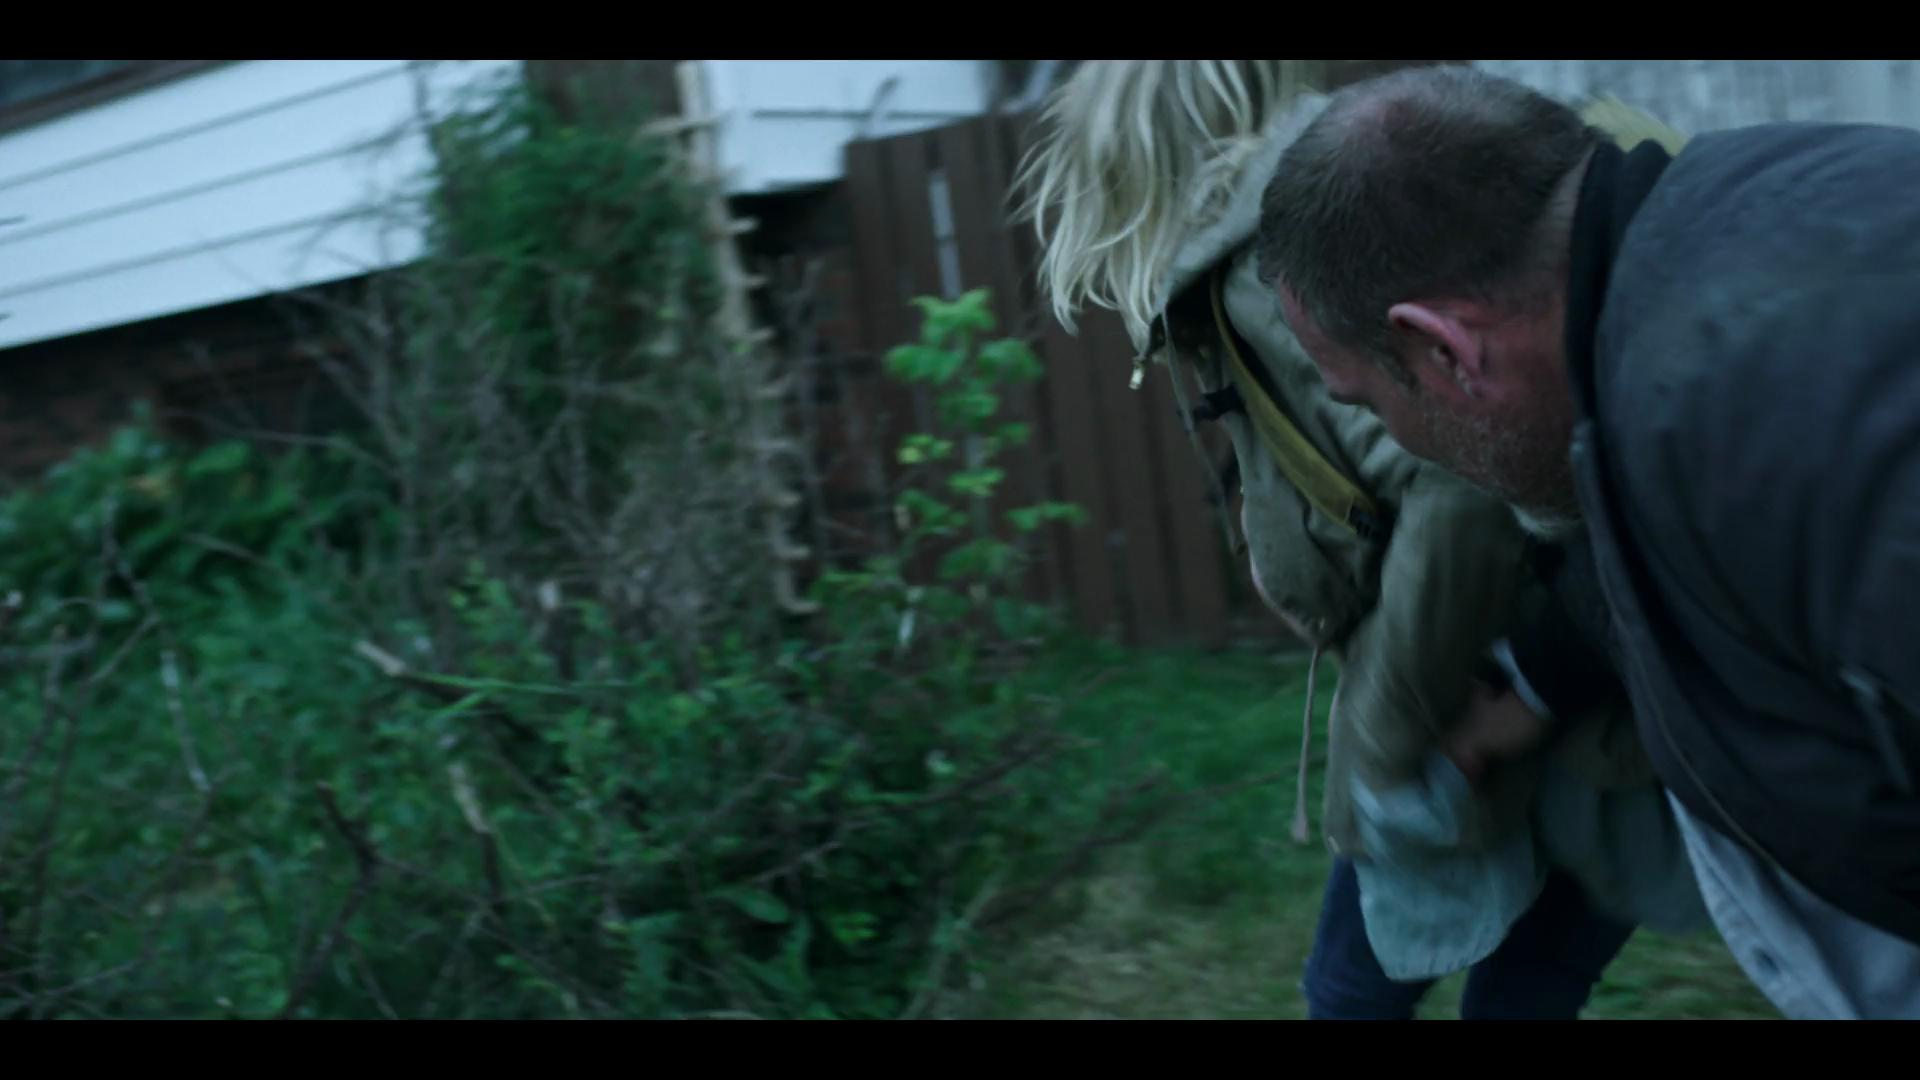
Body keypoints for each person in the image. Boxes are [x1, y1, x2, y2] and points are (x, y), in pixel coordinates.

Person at [1014, 60, 1702, 1020]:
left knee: (1354, 998)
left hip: (1471, 688)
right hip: (1587, 659)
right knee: (1529, 991)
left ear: (1132, 159)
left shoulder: (1272, 261)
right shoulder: (1367, 195)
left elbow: (1455, 478)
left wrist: (1387, 733)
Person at [1253, 64, 1920, 1019]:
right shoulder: (1715, 225)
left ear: (1445, 350)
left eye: (1367, 401)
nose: (1393, 436)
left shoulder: (1758, 429)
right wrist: (1537, 681)